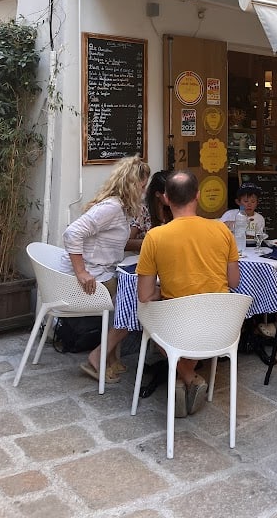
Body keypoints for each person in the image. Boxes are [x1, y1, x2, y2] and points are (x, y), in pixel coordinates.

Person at [137, 170, 240, 418]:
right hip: (220, 328)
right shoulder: (223, 231)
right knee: (182, 318)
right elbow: (233, 281)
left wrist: (169, 288)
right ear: (198, 195)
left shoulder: (155, 237)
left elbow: (144, 295)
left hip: (178, 328)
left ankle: (186, 377)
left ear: (166, 199)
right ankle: (186, 378)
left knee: (149, 317)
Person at [61, 155, 151, 384]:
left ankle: (110, 357)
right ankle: (98, 355)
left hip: (101, 272)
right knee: (138, 302)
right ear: (133, 184)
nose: (144, 191)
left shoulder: (120, 208)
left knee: (132, 292)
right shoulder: (112, 208)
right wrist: (81, 272)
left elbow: (111, 243)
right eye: (143, 185)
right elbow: (72, 233)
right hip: (88, 278)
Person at [125, 169, 172, 252]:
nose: (175, 197)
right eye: (170, 193)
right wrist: (153, 242)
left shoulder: (173, 208)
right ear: (157, 194)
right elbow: (127, 243)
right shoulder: (142, 210)